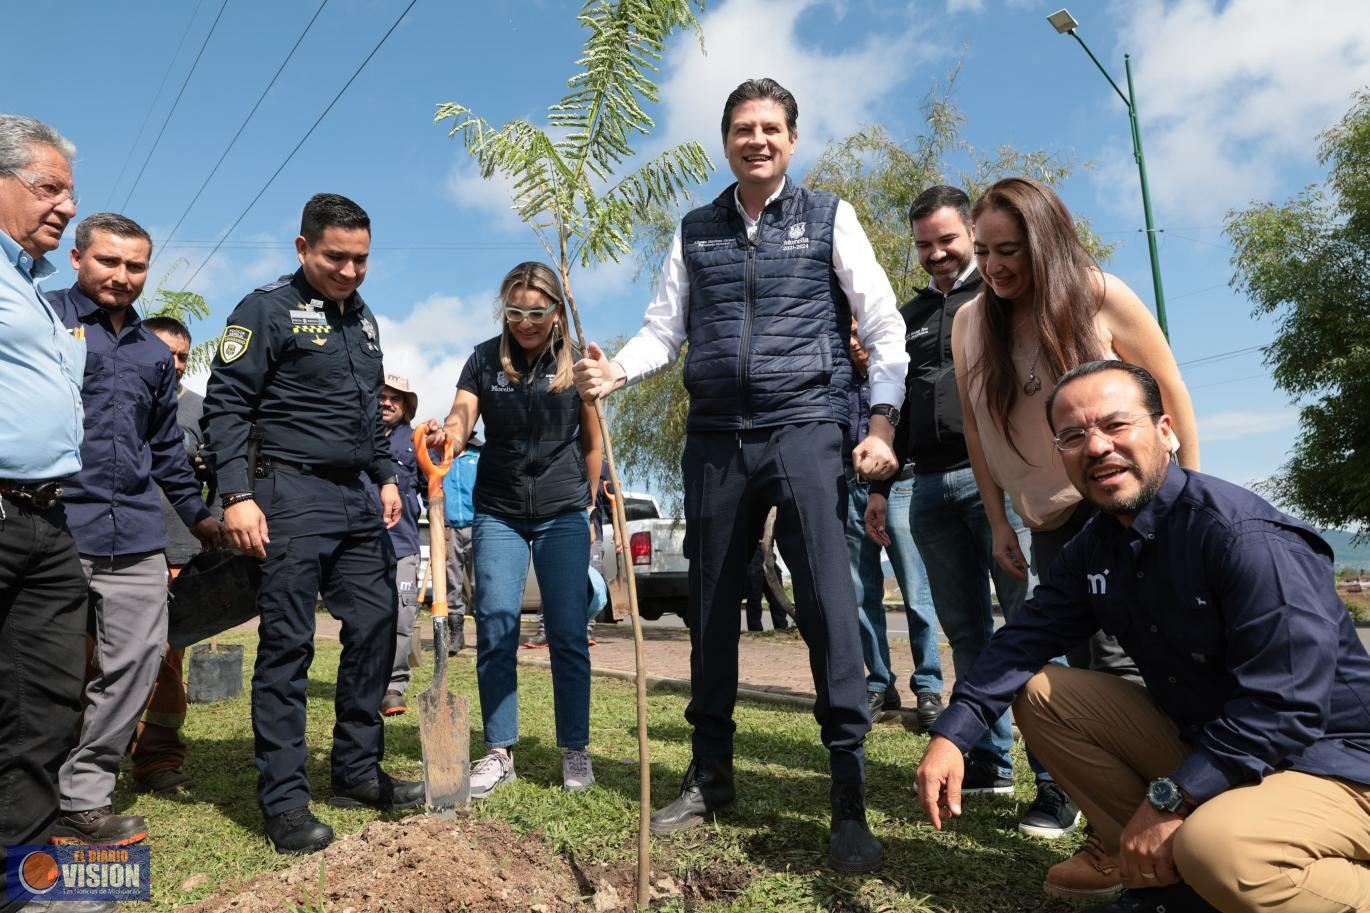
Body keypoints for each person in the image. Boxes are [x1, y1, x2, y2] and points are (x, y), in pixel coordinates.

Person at [573, 77, 908, 873]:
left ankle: (849, 793)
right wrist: (615, 371)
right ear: (726, 141)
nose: (756, 139)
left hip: (806, 424)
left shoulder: (831, 216)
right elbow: (664, 332)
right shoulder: (697, 230)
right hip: (717, 435)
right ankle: (712, 776)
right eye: (742, 129)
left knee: (828, 602)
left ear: (792, 140)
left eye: (770, 128)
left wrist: (883, 422)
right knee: (712, 605)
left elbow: (883, 324)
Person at [917, 360, 1370, 913]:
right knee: (1041, 693)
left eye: (1116, 425)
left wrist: (1171, 799)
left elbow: (1286, 706)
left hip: (1333, 764)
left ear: (1166, 430)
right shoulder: (1098, 543)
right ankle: (1167, 884)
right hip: (1217, 743)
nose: (1097, 447)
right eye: (1074, 436)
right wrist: (952, 734)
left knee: (1220, 848)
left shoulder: (1242, 537)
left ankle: (1214, 864)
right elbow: (1023, 640)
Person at [952, 178, 1201, 884]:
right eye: (983, 252)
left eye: (1010, 250)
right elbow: (978, 422)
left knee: (1125, 666)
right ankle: (1124, 834)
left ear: (1045, 239)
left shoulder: (1097, 294)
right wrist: (998, 516)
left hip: (1122, 504)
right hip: (1048, 520)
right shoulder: (971, 320)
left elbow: (1169, 386)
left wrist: (1188, 501)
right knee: (1074, 676)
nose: (995, 266)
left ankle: (1150, 842)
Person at [201, 192, 422, 855]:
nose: (350, 271)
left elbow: (367, 411)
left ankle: (355, 771)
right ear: (303, 248)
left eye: (360, 259)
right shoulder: (264, 309)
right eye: (336, 257)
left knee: (378, 625)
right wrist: (236, 494)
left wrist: (385, 474)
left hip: (357, 497)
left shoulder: (366, 321)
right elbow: (227, 404)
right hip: (287, 489)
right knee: (289, 645)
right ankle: (285, 802)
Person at [866, 186, 1056, 831]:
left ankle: (1058, 779)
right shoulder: (908, 315)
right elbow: (894, 402)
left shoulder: (1005, 295)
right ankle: (989, 764)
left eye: (947, 240)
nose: (937, 254)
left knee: (1034, 633)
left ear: (971, 233)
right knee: (968, 634)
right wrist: (878, 489)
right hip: (926, 486)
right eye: (924, 245)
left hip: (1000, 482)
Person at [45, 213, 222, 845]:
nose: (122, 276)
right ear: (76, 258)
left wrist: (200, 517)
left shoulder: (152, 351)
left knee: (141, 659)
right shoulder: (43, 323)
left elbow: (167, 450)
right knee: (47, 671)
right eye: (108, 262)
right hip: (54, 524)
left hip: (137, 531)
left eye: (135, 266)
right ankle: (31, 793)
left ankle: (84, 796)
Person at [430, 260, 603, 798]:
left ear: (556, 313)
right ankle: (499, 752)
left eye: (536, 312)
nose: (525, 322)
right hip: (498, 511)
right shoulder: (484, 359)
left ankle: (575, 749)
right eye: (515, 312)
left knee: (568, 633)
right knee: (498, 627)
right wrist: (450, 434)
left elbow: (593, 445)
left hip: (563, 511)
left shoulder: (577, 364)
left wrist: (589, 509)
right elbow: (463, 413)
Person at [0, 114, 103, 913]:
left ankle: (22, 882)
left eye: (70, 190)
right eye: (49, 187)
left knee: (42, 711)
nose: (67, 206)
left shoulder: (33, 291)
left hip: (44, 523)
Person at [134, 314, 215, 795]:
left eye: (184, 355)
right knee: (92, 656)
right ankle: (86, 761)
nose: (177, 363)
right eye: (168, 353)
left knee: (167, 657)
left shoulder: (199, 411)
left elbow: (223, 475)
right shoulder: (114, 398)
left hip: (178, 547)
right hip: (114, 545)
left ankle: (158, 760)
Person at [843, 319, 900, 722]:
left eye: (859, 332)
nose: (854, 342)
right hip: (850, 488)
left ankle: (930, 685)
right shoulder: (837, 382)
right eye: (847, 334)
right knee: (861, 590)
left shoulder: (894, 375)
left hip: (899, 485)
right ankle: (880, 682)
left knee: (918, 595)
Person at [373, 373, 425, 718]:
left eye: (396, 398)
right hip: (362, 544)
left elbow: (434, 487)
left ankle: (394, 686)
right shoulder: (358, 437)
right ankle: (367, 682)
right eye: (382, 397)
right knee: (367, 617)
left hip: (403, 544)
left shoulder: (416, 441)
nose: (387, 403)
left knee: (402, 615)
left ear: (406, 406)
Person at [441, 432, 480, 655]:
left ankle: (484, 632)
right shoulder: (440, 459)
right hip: (449, 528)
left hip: (477, 526)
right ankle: (456, 634)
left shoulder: (478, 458)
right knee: (451, 581)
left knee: (479, 582)